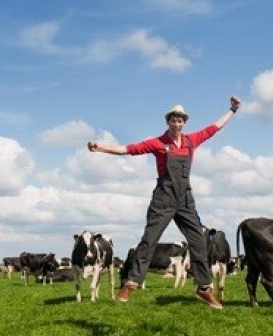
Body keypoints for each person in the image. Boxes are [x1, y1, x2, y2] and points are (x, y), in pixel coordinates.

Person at [87, 96, 241, 309]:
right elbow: (128, 149)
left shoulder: (191, 141)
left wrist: (232, 110)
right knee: (149, 240)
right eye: (173, 120)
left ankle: (204, 288)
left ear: (184, 123)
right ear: (168, 121)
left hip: (185, 199)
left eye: (180, 121)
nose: (177, 124)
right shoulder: (157, 143)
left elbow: (214, 128)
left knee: (199, 241)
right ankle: (131, 282)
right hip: (163, 198)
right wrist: (101, 147)